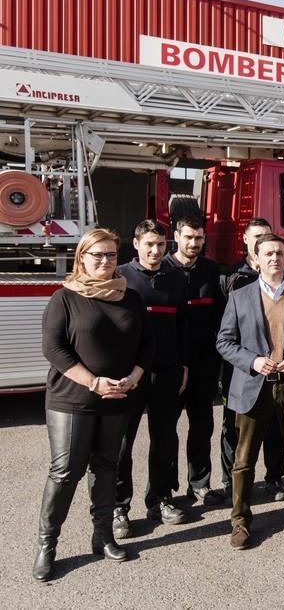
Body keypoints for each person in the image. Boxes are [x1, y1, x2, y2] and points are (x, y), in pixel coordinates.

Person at [33, 229, 154, 582]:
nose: (105, 261)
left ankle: (102, 537)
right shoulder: (65, 297)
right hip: (73, 400)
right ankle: (47, 546)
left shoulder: (130, 297)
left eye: (111, 255)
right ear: (81, 258)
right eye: (97, 255)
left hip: (118, 397)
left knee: (106, 467)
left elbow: (148, 344)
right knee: (65, 471)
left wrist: (134, 377)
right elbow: (53, 348)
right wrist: (93, 382)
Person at [216, 233, 284, 549]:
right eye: (268, 254)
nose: (275, 258)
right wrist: (253, 360)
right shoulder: (240, 297)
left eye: (279, 253)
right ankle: (240, 521)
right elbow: (224, 342)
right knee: (244, 459)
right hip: (254, 386)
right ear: (256, 259)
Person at [114, 220, 190, 539]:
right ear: (136, 244)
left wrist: (183, 365)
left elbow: (183, 326)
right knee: (122, 443)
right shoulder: (120, 276)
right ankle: (119, 507)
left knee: (164, 438)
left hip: (167, 371)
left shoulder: (176, 278)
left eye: (160, 245)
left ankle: (159, 499)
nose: (155, 250)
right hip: (130, 373)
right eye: (149, 244)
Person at [219, 217, 284, 503]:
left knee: (275, 429)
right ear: (247, 240)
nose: (264, 243)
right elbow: (223, 332)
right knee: (234, 429)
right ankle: (230, 482)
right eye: (257, 237)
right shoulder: (230, 277)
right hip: (241, 370)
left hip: (278, 373)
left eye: (267, 236)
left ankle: (274, 477)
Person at [164, 216, 226, 507]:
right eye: (188, 237)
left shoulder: (211, 271)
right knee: (165, 430)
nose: (193, 243)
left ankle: (199, 484)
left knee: (202, 427)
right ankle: (164, 490)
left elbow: (220, 318)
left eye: (199, 238)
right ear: (176, 236)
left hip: (204, 365)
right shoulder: (163, 269)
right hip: (170, 364)